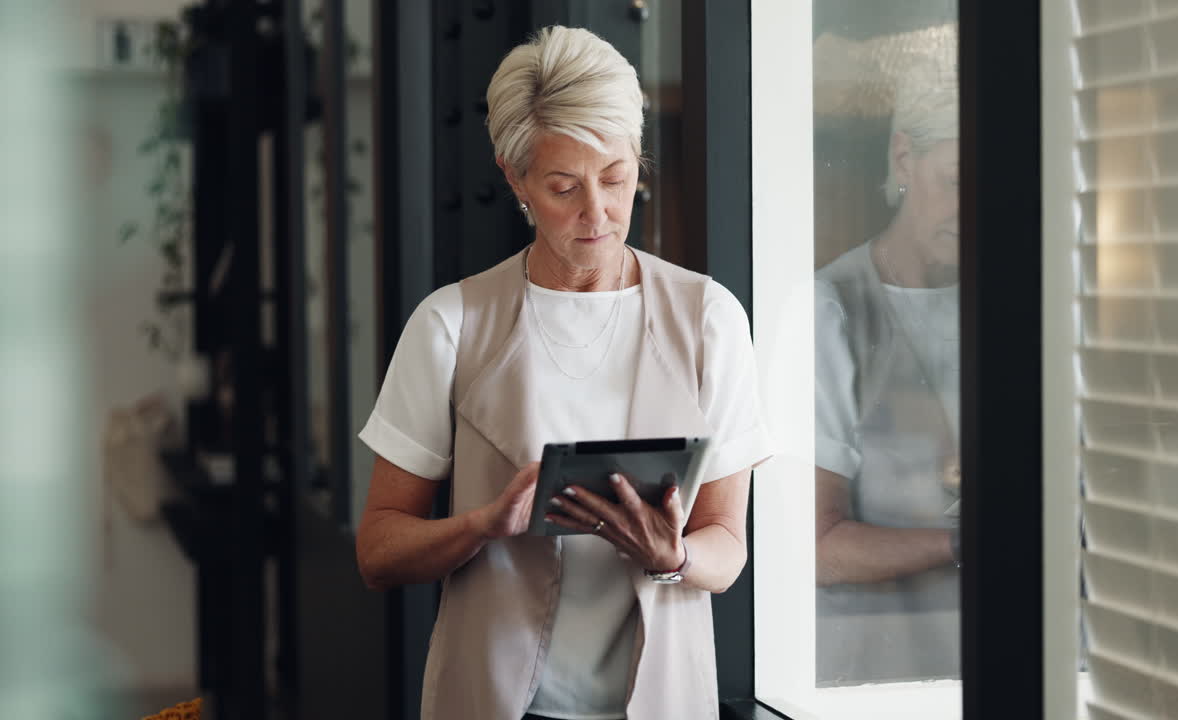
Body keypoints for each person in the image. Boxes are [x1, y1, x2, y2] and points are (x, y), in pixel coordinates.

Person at [354, 26, 771, 720]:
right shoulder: (450, 325)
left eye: (616, 176)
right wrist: (483, 525)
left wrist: (671, 556)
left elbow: (727, 548)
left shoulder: (709, 319)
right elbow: (378, 549)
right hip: (492, 701)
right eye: (562, 186)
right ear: (514, 177)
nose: (598, 211)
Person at [814, 60, 960, 685]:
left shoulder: (1023, 303)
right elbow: (815, 547)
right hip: (879, 676)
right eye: (956, 179)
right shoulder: (831, 310)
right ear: (903, 159)